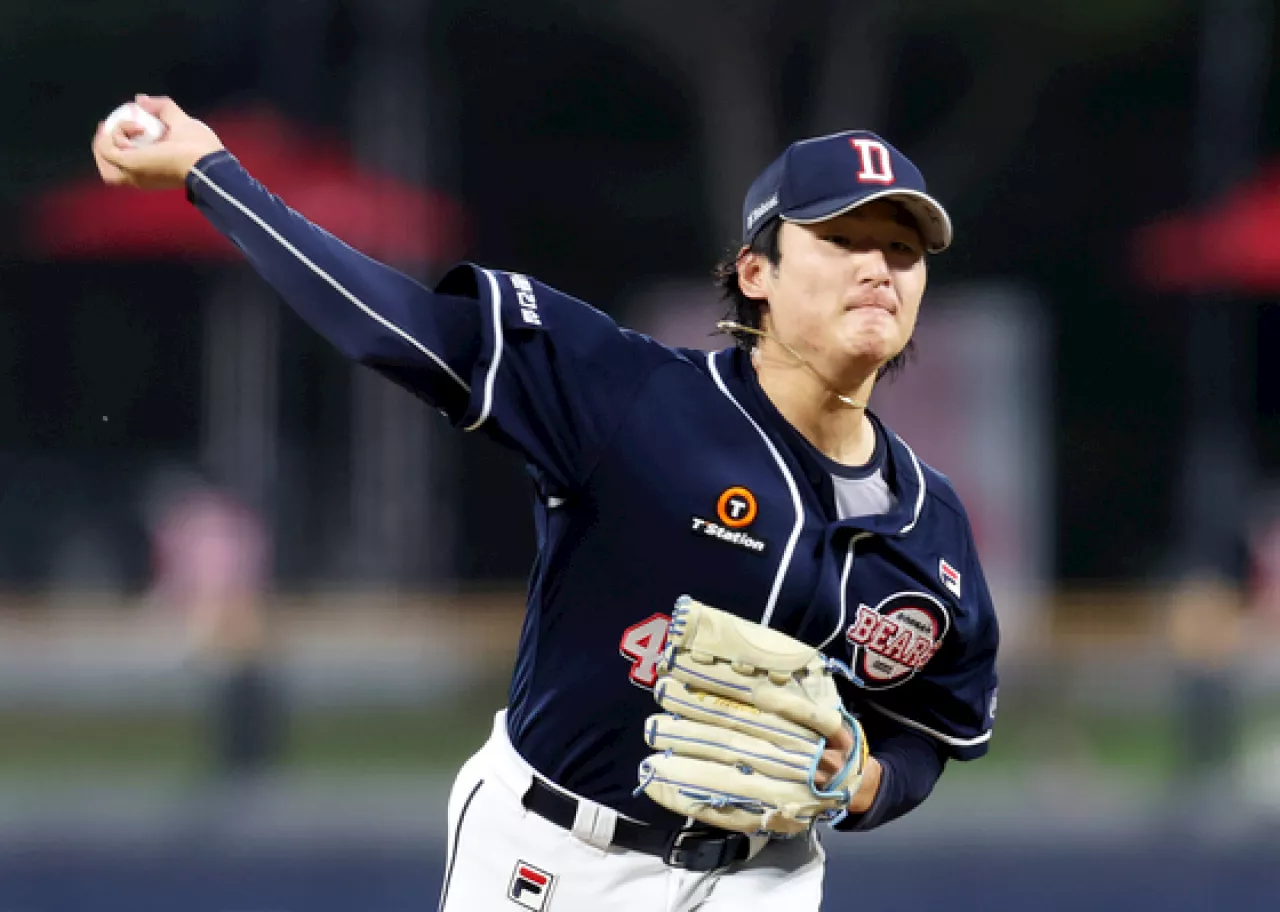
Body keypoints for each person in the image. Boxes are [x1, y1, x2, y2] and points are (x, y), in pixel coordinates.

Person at [92, 95, 999, 910]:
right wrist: (214, 176)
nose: (878, 267)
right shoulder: (631, 397)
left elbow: (934, 730)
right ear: (754, 273)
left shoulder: (933, 525)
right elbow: (395, 327)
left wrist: (872, 782)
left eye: (903, 250)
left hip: (769, 880)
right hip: (558, 858)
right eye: (840, 240)